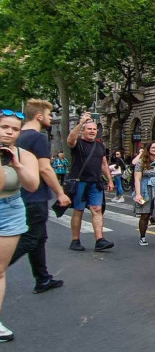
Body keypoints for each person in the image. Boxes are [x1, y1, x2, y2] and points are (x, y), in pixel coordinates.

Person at [9, 99, 69, 295]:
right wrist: (60, 192)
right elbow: (45, 168)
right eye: (49, 115)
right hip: (35, 195)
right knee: (30, 239)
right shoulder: (38, 138)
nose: (51, 118)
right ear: (39, 116)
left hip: (19, 193)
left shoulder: (17, 136)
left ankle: (42, 278)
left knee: (39, 238)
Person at [0, 109, 40, 342]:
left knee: (0, 270)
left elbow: (32, 185)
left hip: (10, 210)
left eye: (15, 129)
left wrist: (16, 165)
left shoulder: (24, 155)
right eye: (4, 127)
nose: (9, 132)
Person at [66, 112, 114, 252]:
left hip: (95, 182)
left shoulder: (99, 145)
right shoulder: (77, 143)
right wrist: (81, 123)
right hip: (80, 182)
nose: (92, 131)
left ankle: (100, 240)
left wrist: (110, 180)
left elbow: (104, 164)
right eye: (89, 129)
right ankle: (75, 240)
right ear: (83, 131)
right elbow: (70, 140)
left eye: (94, 129)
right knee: (79, 210)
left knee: (97, 209)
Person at [133, 142, 155, 246]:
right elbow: (137, 179)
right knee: (145, 214)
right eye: (153, 147)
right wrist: (138, 194)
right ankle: (142, 237)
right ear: (148, 149)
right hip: (145, 190)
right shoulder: (142, 161)